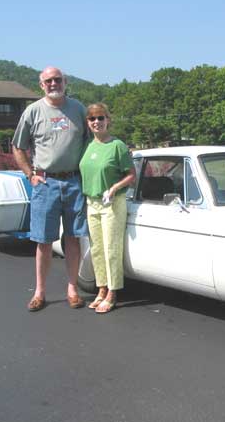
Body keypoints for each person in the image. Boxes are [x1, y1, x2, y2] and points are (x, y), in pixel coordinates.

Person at [12, 66, 89, 311]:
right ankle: (40, 292)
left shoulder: (78, 109)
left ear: (65, 81)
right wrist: (29, 174)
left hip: (75, 182)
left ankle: (72, 288)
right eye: (48, 81)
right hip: (45, 184)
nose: (53, 83)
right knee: (43, 241)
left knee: (73, 238)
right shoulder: (33, 111)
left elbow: (92, 141)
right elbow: (18, 146)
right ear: (41, 85)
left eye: (57, 79)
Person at [79, 103, 136, 314]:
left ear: (108, 120)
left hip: (112, 203)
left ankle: (112, 292)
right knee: (96, 248)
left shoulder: (117, 146)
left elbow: (131, 175)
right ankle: (101, 289)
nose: (97, 122)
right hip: (91, 202)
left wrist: (115, 187)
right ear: (88, 123)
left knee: (111, 249)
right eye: (92, 119)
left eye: (101, 118)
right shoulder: (87, 146)